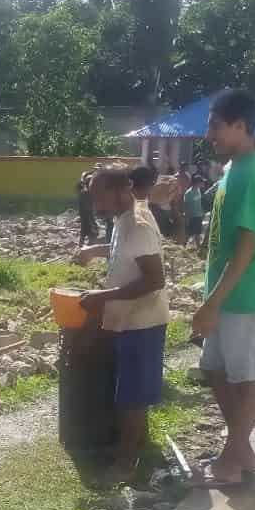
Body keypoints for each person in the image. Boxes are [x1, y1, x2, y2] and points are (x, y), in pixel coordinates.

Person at [191, 89, 255, 488]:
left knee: (245, 379)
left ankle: (232, 461)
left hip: (246, 296)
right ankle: (241, 449)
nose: (209, 133)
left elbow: (247, 246)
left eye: (215, 124)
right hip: (230, 295)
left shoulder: (249, 172)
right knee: (213, 369)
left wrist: (213, 303)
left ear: (240, 126)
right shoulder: (234, 169)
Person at [75, 168, 169, 486]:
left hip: (143, 322)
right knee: (130, 390)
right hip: (128, 320)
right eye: (92, 196)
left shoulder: (139, 225)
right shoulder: (124, 217)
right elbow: (123, 253)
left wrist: (103, 296)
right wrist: (94, 251)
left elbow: (155, 280)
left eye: (99, 195)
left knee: (131, 396)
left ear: (119, 191)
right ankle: (136, 443)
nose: (95, 202)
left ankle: (125, 462)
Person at [183, 176, 206, 248]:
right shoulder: (189, 193)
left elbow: (199, 203)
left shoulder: (198, 190)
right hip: (192, 216)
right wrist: (187, 217)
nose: (203, 183)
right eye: (201, 182)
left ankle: (198, 247)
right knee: (189, 233)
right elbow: (186, 206)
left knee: (197, 232)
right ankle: (183, 245)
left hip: (198, 215)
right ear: (197, 183)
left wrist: (202, 213)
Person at [77, 171, 98, 245]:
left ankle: (81, 245)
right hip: (88, 215)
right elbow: (89, 207)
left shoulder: (83, 192)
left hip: (84, 214)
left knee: (84, 230)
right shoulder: (87, 193)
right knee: (92, 231)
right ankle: (90, 247)